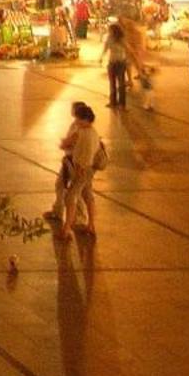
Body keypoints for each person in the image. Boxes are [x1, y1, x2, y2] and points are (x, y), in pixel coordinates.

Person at [54, 101, 103, 240]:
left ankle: (66, 229)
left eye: (78, 119)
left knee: (71, 197)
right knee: (88, 195)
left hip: (82, 169)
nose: (76, 121)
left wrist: (80, 169)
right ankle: (91, 225)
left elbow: (69, 146)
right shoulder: (93, 132)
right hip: (89, 169)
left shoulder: (82, 133)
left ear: (84, 119)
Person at [102, 21, 130, 108]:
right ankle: (113, 102)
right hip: (111, 63)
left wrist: (128, 59)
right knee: (112, 84)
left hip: (120, 63)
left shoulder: (121, 39)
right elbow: (105, 48)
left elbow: (128, 49)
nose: (109, 31)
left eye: (110, 30)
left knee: (121, 84)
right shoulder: (108, 38)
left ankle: (122, 104)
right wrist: (101, 57)